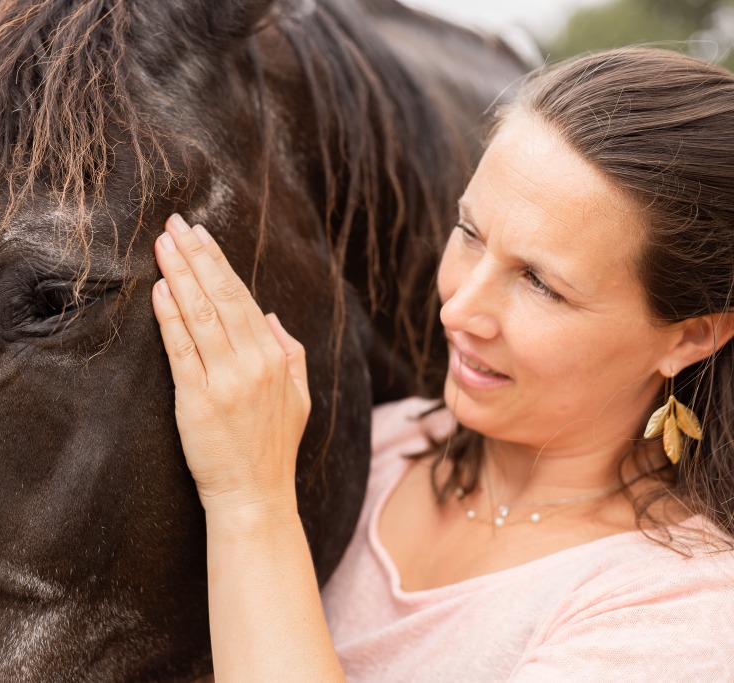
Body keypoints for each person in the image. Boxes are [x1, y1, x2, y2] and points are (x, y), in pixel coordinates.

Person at [150, 47, 734, 681]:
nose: (459, 310)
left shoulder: (680, 613)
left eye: (540, 282)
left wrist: (250, 503)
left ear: (692, 336)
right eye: (470, 232)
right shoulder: (365, 446)